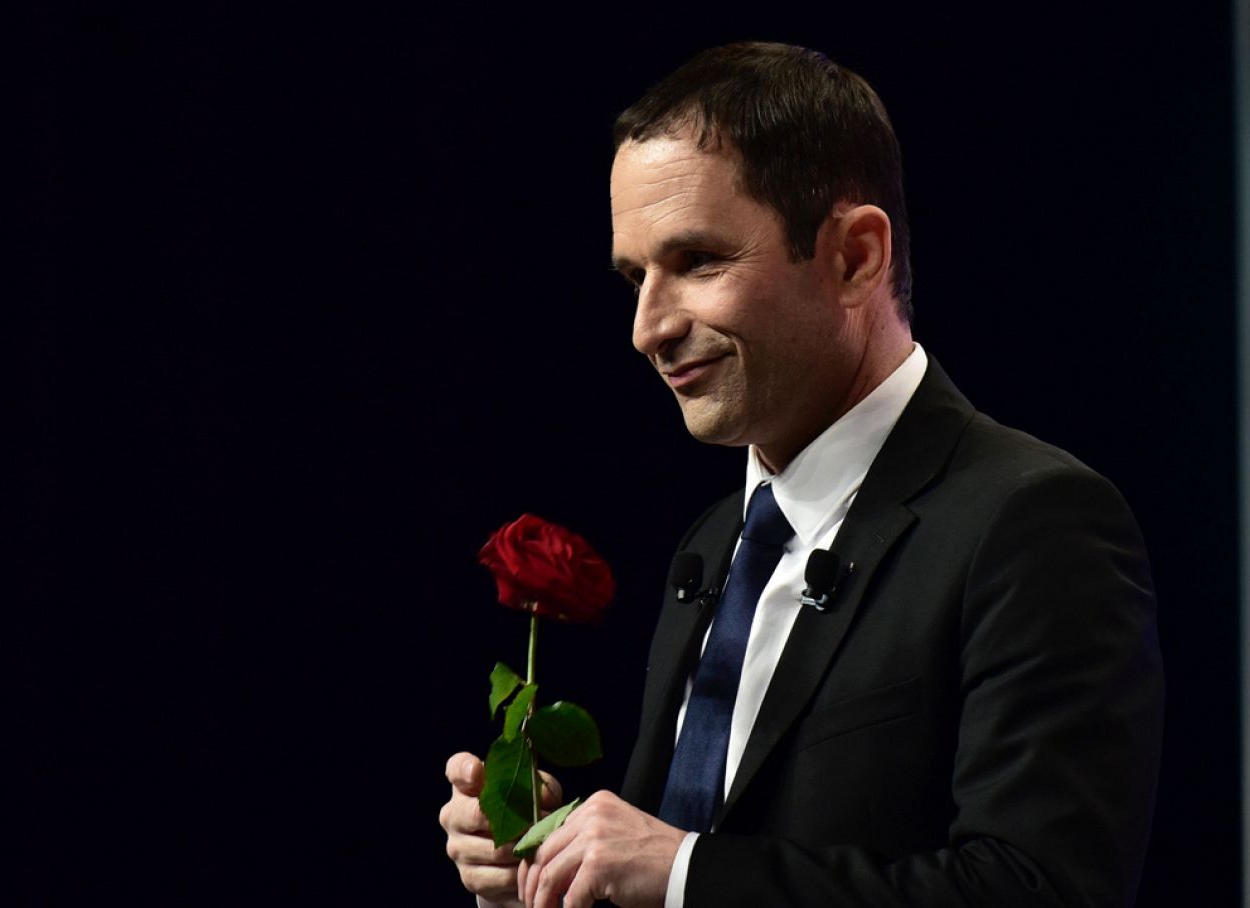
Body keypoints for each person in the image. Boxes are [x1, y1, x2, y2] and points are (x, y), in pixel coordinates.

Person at [439, 42, 1162, 907]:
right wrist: (555, 865)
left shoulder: (1032, 523)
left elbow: (1039, 890)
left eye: (697, 262)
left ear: (856, 256)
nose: (647, 328)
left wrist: (681, 871)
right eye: (635, 278)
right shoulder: (713, 544)